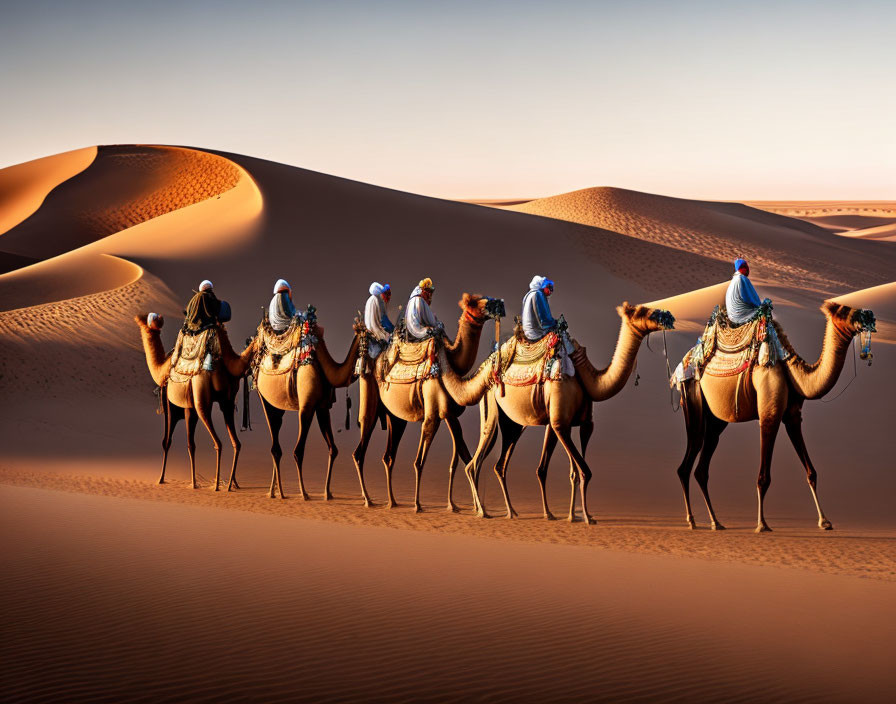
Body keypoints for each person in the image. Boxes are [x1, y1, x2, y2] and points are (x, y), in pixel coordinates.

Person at [725, 258, 762, 325]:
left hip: (732, 317)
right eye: (745, 267)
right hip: (742, 315)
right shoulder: (742, 278)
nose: (747, 270)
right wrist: (760, 305)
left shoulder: (734, 280)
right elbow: (749, 298)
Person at [521, 275, 557, 340]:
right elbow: (542, 319)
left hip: (528, 332)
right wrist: (554, 323)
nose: (551, 290)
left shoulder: (528, 294)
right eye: (549, 287)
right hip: (536, 332)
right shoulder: (538, 294)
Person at [364, 282, 394, 357]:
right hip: (376, 331)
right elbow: (383, 320)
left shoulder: (372, 299)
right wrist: (393, 329)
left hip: (371, 330)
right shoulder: (378, 301)